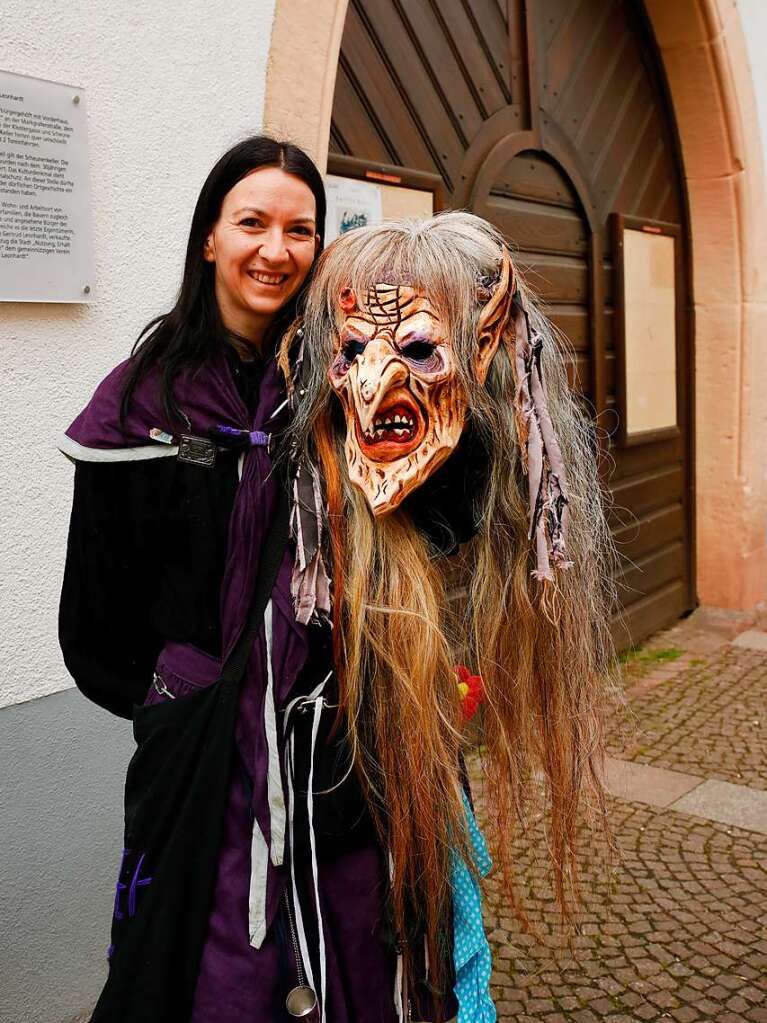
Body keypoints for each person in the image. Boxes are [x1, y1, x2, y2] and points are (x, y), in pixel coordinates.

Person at [60, 136, 443, 1023]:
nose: (276, 249)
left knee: (350, 953)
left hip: (339, 752)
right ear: (209, 238)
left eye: (300, 229)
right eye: (252, 223)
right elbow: (93, 621)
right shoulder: (140, 402)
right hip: (205, 763)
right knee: (217, 976)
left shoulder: (341, 384)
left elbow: (420, 534)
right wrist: (178, 695)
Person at [281, 210, 617, 1023]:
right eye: (352, 352)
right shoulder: (289, 509)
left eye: (418, 351)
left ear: (490, 351)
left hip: (413, 802)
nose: (371, 384)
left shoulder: (491, 493)